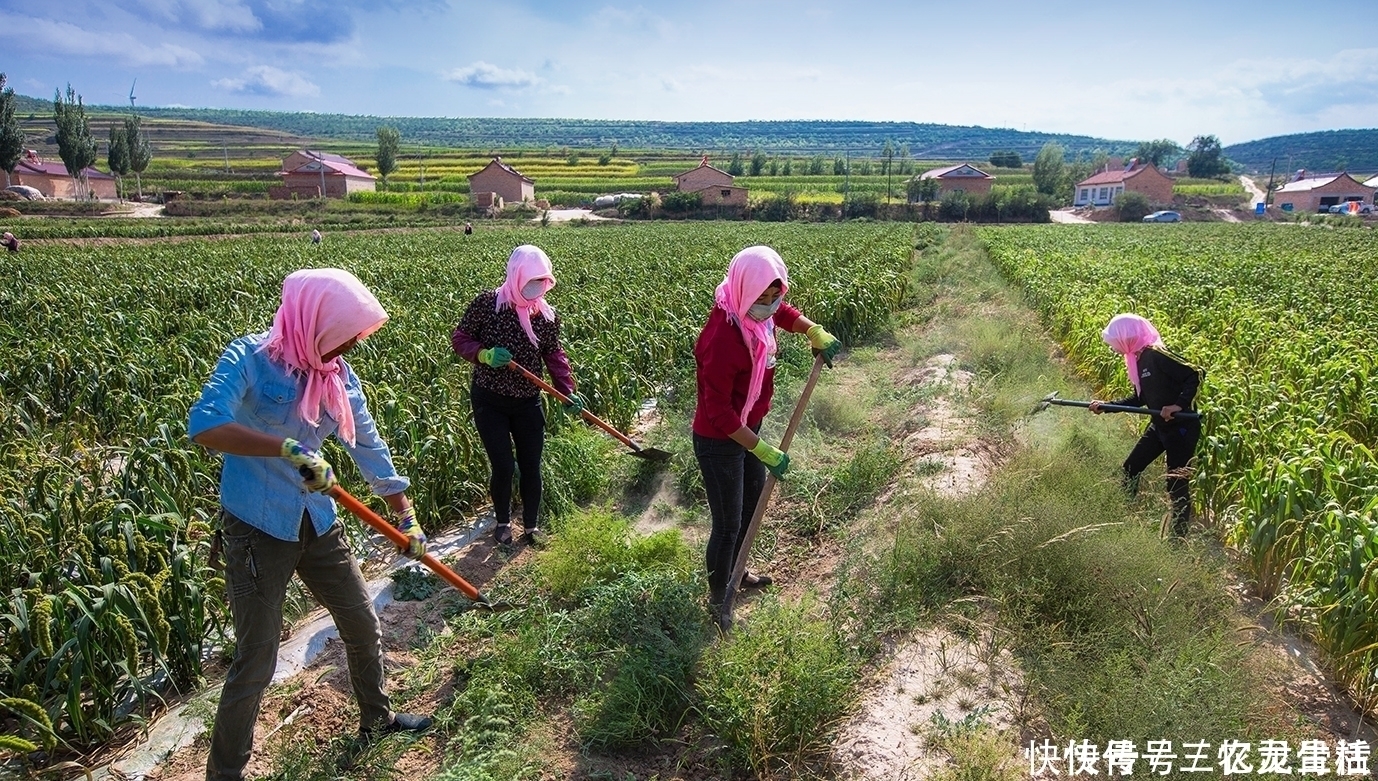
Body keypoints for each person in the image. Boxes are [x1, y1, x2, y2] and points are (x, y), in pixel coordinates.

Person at [188, 268, 432, 781]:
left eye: (351, 338)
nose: (345, 348)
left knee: (362, 621)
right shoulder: (250, 360)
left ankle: (377, 718)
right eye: (339, 335)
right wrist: (285, 447)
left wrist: (405, 516)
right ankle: (225, 773)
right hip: (257, 525)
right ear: (312, 321)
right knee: (256, 658)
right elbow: (205, 425)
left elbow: (369, 446)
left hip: (317, 521)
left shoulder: (338, 376)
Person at [692, 245, 841, 627]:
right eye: (764, 298)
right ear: (745, 291)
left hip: (748, 429)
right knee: (726, 524)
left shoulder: (757, 315)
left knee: (749, 508)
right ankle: (718, 597)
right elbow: (718, 412)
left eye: (776, 296)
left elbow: (784, 315)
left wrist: (812, 330)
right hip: (719, 440)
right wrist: (762, 449)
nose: (771, 305)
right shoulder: (723, 337)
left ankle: (739, 574)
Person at [451, 245, 582, 546]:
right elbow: (460, 339)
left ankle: (532, 527)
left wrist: (567, 391)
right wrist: (483, 354)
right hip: (490, 399)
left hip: (527, 401)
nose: (537, 287)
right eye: (531, 280)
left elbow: (553, 354)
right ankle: (502, 522)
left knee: (531, 464)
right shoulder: (488, 305)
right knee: (504, 466)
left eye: (542, 281)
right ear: (516, 275)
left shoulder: (546, 316)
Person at [1089, 313, 1203, 537]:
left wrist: (1178, 405)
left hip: (1181, 429)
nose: (1114, 348)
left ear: (1127, 337)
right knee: (1131, 468)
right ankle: (1122, 517)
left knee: (1176, 484)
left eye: (1115, 341)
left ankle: (1178, 540)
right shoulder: (1137, 361)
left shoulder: (1156, 355)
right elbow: (1139, 399)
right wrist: (1106, 406)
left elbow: (1195, 374)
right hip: (1160, 427)